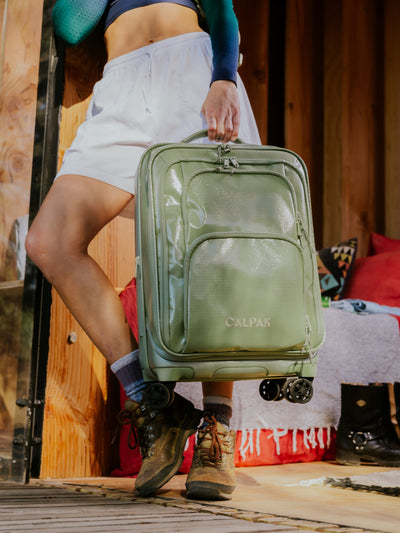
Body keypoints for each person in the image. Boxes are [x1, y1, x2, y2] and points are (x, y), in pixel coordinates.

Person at [26, 0, 260, 500]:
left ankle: (216, 430)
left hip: (192, 74)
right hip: (123, 87)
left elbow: (222, 10)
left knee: (213, 252)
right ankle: (154, 402)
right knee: (49, 241)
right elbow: (70, 25)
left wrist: (223, 78)